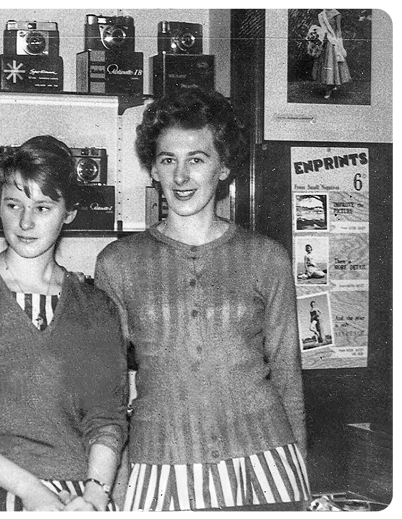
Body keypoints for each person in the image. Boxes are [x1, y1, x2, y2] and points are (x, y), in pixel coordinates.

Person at [95, 88, 310, 511]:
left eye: (196, 159)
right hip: (160, 465)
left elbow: (287, 373)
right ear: (153, 169)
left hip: (266, 466)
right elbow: (109, 389)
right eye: (167, 160)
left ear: (223, 167)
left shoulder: (266, 257)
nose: (181, 177)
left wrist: (300, 473)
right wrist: (114, 482)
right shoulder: (118, 263)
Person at [0, 135, 128, 511]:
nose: (25, 221)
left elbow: (106, 418)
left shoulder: (97, 308)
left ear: (69, 212)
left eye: (43, 207)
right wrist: (31, 491)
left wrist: (95, 497)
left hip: (78, 490)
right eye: (13, 204)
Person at [312, 8, 351, 99]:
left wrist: (340, 44)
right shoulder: (321, 14)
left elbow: (338, 30)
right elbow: (321, 29)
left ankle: (329, 88)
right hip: (325, 41)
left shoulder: (336, 13)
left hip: (333, 42)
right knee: (326, 65)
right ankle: (330, 85)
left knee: (332, 64)